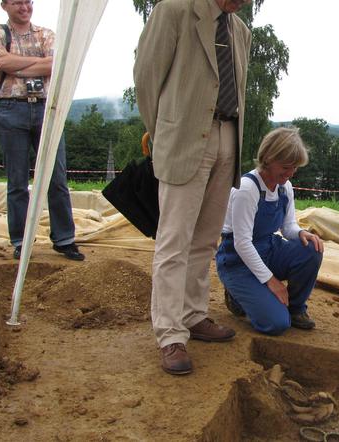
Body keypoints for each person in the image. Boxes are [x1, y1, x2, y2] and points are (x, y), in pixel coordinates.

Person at [133, 0, 252, 375]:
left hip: (228, 138)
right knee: (174, 241)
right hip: (184, 138)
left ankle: (193, 315)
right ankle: (170, 334)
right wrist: (166, 131)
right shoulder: (173, 10)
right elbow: (146, 77)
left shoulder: (241, 32)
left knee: (205, 239)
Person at [0, 0, 84, 261]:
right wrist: (34, 63)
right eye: (17, 2)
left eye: (28, 1)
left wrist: (14, 63)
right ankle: (20, 241)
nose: (24, 7)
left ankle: (64, 239)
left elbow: (55, 64)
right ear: (4, 5)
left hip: (46, 107)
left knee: (56, 176)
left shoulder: (46, 33)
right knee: (17, 181)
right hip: (10, 108)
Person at [216, 128, 324, 335]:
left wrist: (301, 233)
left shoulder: (285, 187)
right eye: (285, 167)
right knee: (276, 323)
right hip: (236, 260)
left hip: (268, 248)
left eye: (295, 168)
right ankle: (236, 295)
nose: (291, 173)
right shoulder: (247, 189)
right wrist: (272, 282)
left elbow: (288, 226)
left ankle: (295, 309)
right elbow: (242, 243)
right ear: (267, 159)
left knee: (311, 249)